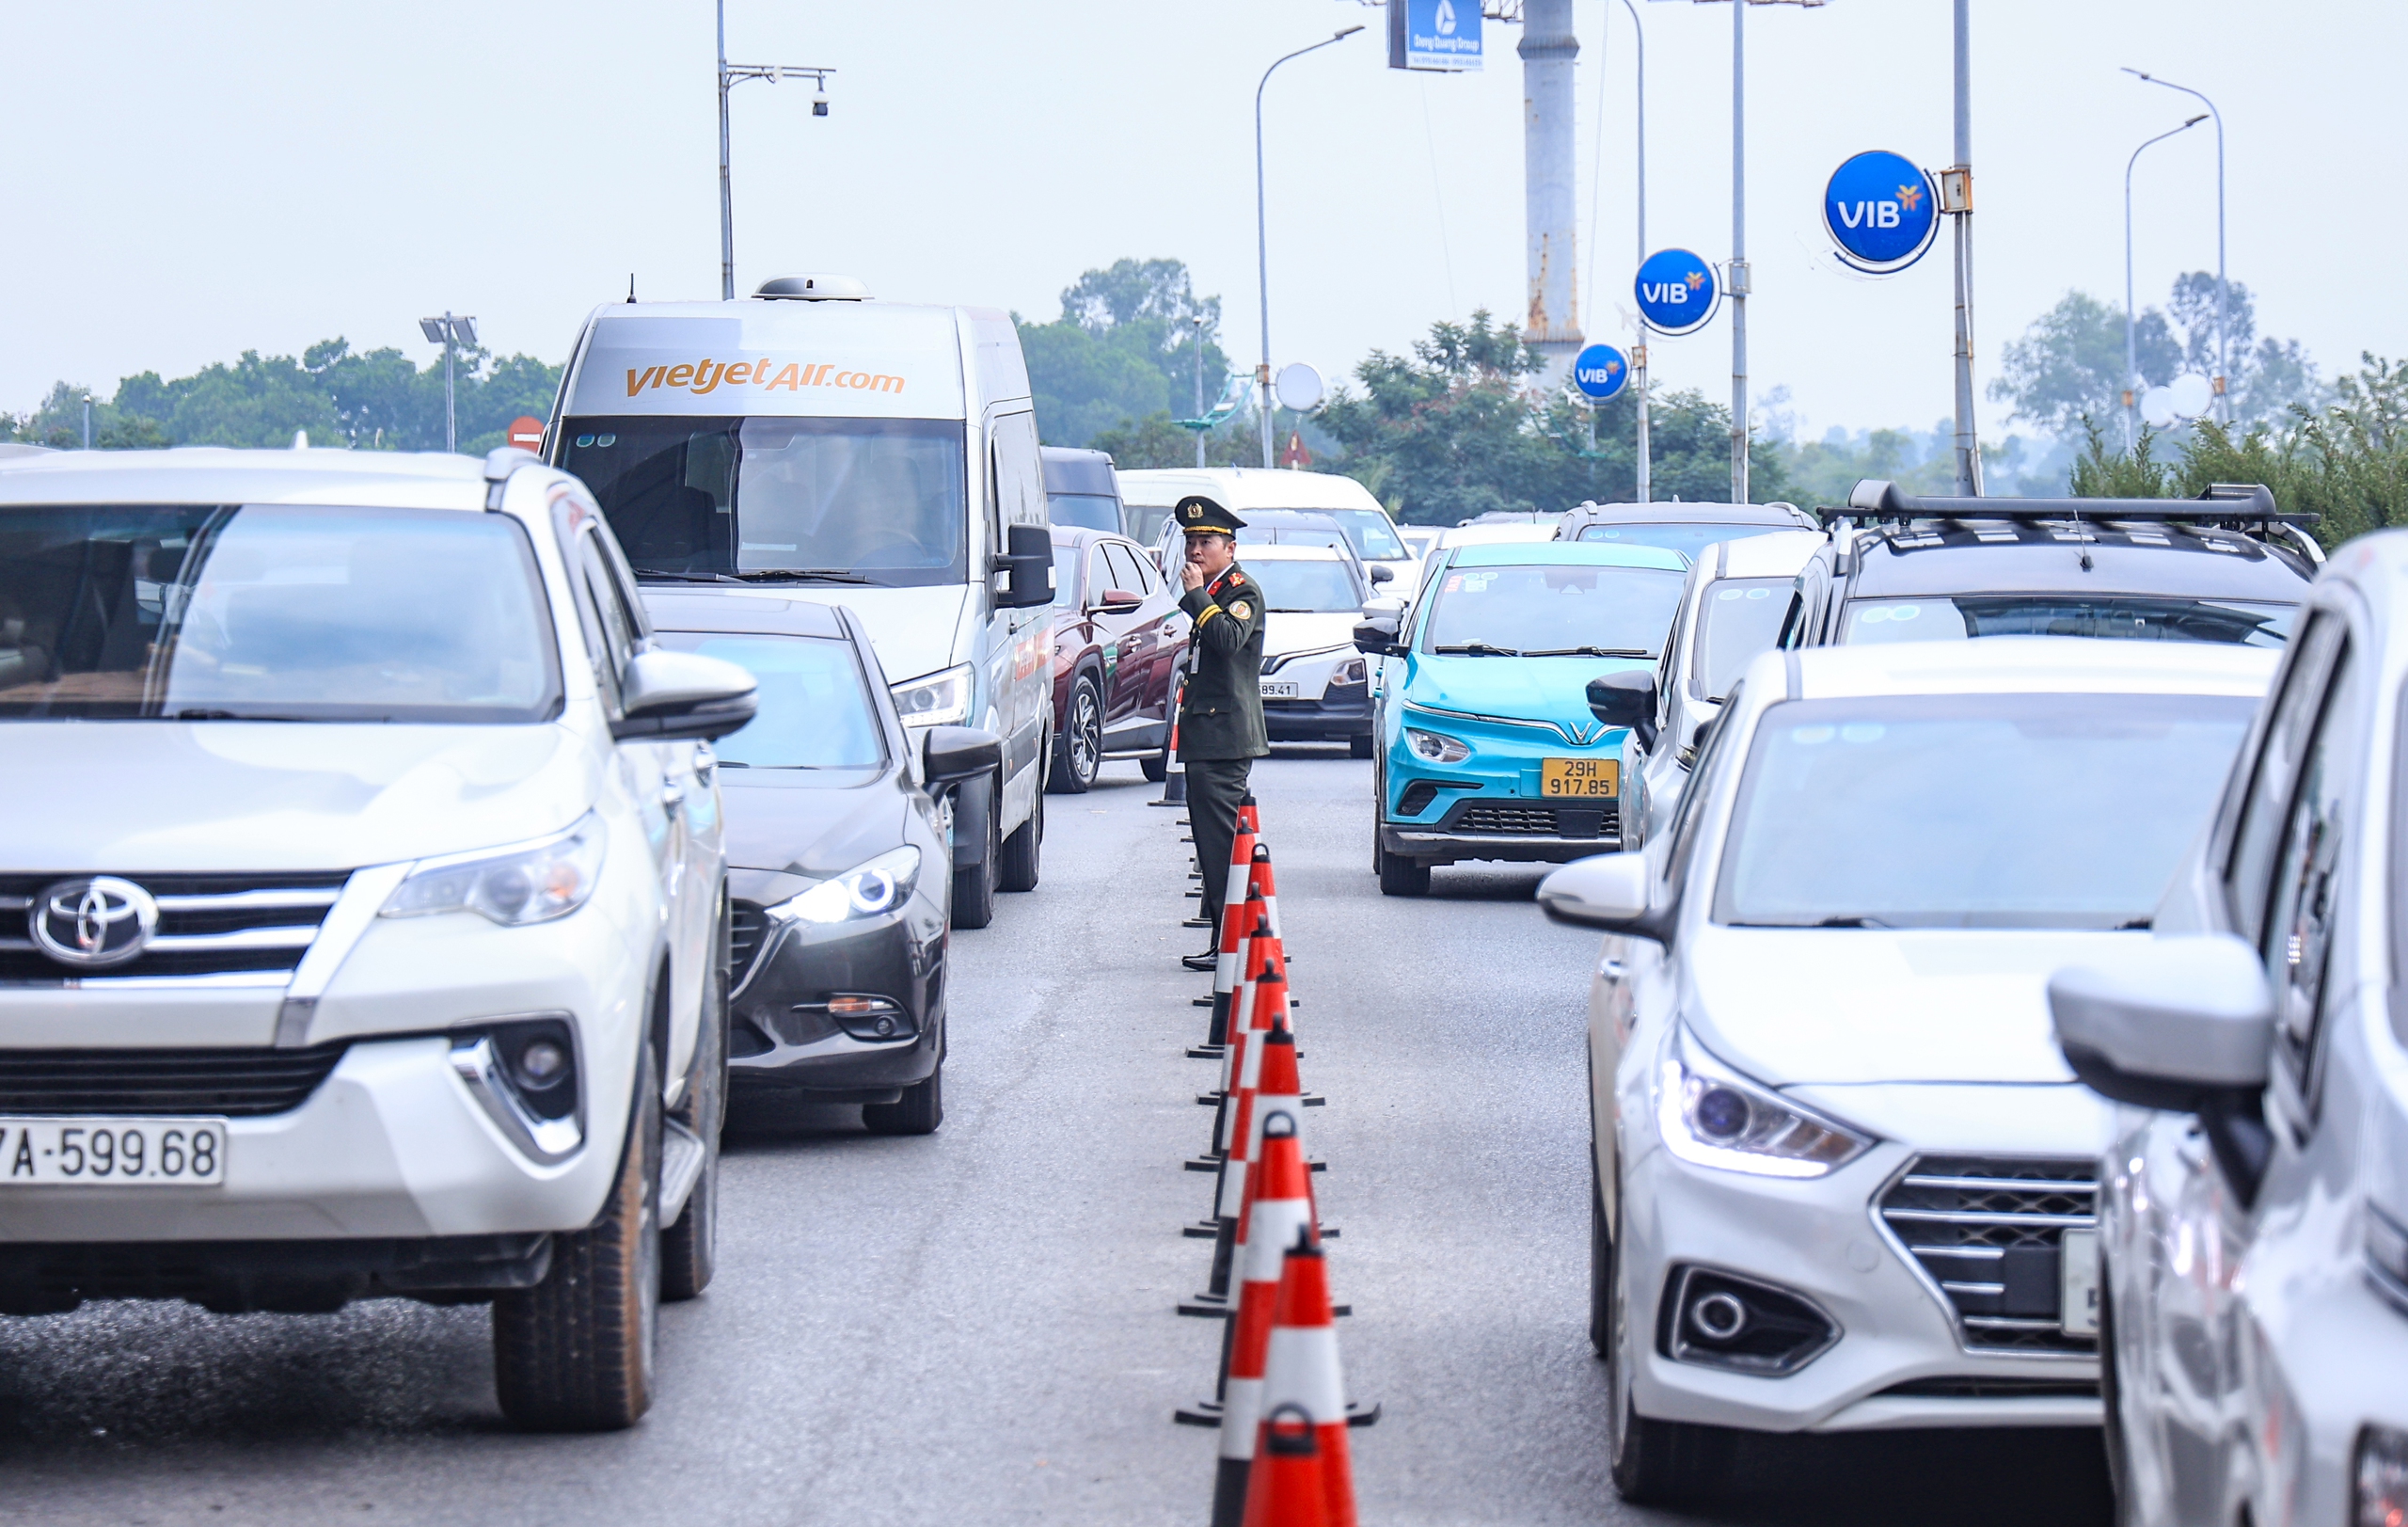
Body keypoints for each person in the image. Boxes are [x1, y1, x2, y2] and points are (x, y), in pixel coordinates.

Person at [1172, 495, 1267, 972]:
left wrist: (1198, 598)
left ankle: (1229, 940)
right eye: (1190, 541)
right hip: (1207, 734)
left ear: (1229, 548)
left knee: (1220, 846)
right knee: (1213, 845)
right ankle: (1224, 936)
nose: (1195, 550)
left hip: (1224, 735)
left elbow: (1228, 640)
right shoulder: (1215, 589)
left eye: (1205, 541)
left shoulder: (1240, 591)